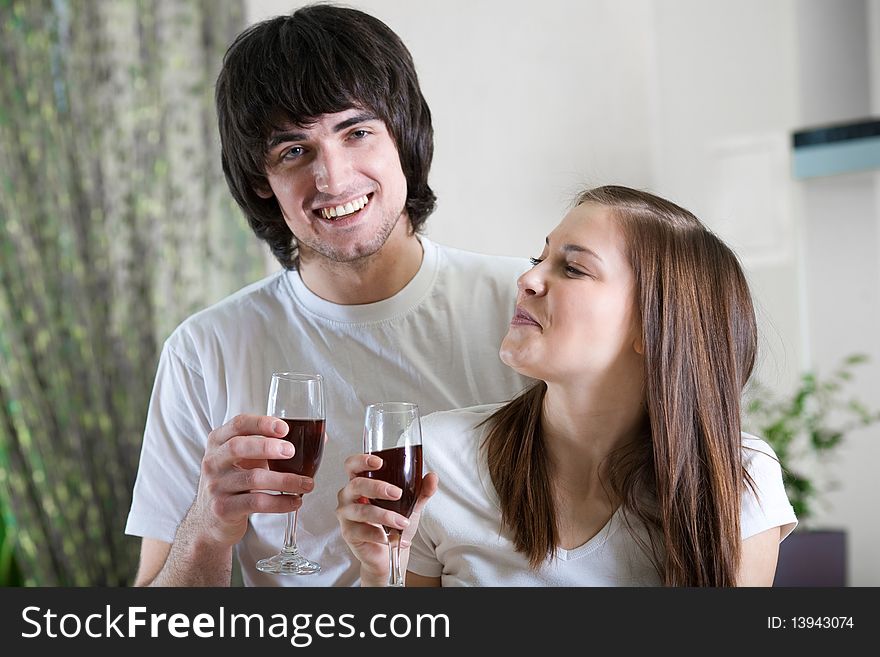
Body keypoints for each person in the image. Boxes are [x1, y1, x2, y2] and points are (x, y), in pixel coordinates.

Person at [124, 4, 530, 587]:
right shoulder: (205, 349)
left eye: (357, 132)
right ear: (262, 182)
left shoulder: (522, 308)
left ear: (403, 138)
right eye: (294, 151)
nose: (333, 180)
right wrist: (208, 525)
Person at [337, 185, 798, 586]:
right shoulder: (437, 457)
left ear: (655, 327)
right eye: (540, 258)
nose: (528, 278)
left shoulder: (735, 481)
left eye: (573, 268)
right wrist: (381, 579)